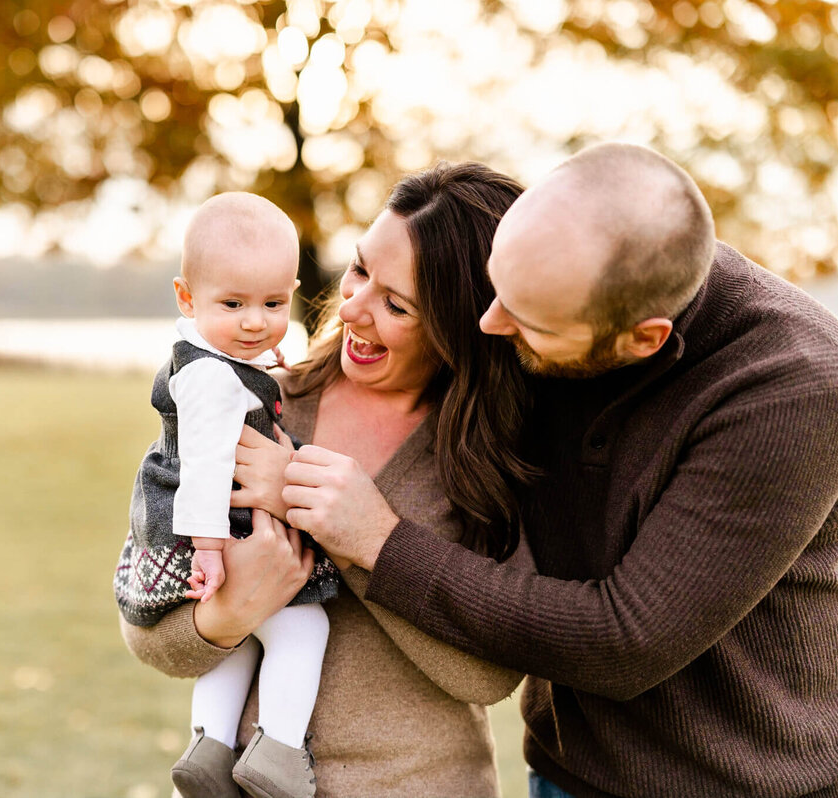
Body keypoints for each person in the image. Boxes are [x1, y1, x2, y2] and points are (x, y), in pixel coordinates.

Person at [283, 142, 838, 798]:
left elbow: (626, 640)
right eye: (494, 290)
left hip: (758, 786)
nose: (489, 323)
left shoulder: (792, 388)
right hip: (572, 776)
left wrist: (380, 544)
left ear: (642, 340)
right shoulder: (555, 287)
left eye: (524, 319)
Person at [120, 162, 535, 796]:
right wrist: (229, 613)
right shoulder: (254, 401)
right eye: (361, 269)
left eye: (396, 304)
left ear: (459, 328)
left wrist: (361, 537)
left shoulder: (489, 452)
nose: (354, 308)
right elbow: (144, 625)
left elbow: (488, 676)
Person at [114, 192, 339, 798]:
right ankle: (281, 752)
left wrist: (265, 367)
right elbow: (210, 466)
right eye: (233, 304)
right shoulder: (212, 377)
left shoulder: (215, 356)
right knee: (301, 628)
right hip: (215, 526)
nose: (254, 322)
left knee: (239, 639)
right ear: (186, 297)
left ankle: (209, 746)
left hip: (202, 523)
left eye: (272, 303)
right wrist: (209, 548)